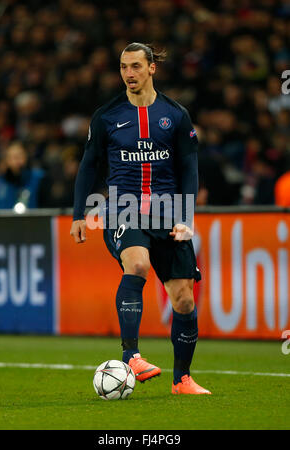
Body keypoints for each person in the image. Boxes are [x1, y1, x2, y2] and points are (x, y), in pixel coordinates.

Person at [70, 43, 211, 395]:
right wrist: (77, 215)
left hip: (167, 213)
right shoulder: (106, 116)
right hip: (123, 208)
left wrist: (186, 216)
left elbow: (189, 168)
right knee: (137, 265)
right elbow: (89, 165)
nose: (128, 74)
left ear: (152, 69)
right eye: (123, 67)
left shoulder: (175, 115)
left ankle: (182, 380)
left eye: (135, 66)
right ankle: (131, 355)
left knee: (184, 299)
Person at [0, 142, 44, 209]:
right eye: (13, 157)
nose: (17, 160)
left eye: (20, 156)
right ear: (6, 160)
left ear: (26, 157)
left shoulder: (38, 178)